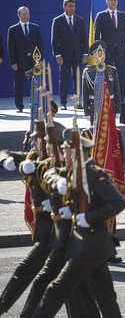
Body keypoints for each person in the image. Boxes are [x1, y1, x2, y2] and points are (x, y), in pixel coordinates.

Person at [30, 130, 125, 318]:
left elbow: (118, 202)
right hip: (92, 247)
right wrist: (58, 183)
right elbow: (51, 172)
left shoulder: (94, 174)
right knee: (106, 300)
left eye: (66, 150)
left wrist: (89, 217)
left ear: (77, 152)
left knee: (55, 290)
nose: (62, 153)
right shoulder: (74, 170)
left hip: (89, 245)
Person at [0, 134, 52, 315]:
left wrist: (58, 202)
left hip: (58, 234)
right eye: (34, 140)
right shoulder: (32, 158)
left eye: (40, 141)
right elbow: (4, 152)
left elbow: (64, 179)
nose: (35, 143)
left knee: (29, 273)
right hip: (43, 230)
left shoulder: (56, 162)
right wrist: (7, 161)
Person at [93, 0, 125, 102]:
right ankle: (109, 98)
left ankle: (121, 99)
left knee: (120, 76)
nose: (113, 2)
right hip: (106, 52)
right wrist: (97, 51)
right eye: (111, 0)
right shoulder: (101, 15)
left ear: (117, 2)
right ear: (106, 2)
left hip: (120, 51)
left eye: (115, 0)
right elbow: (96, 34)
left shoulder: (123, 15)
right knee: (108, 75)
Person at [51, 0, 88, 110]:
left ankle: (77, 102)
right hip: (64, 56)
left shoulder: (79, 20)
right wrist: (57, 55)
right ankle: (63, 103)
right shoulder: (57, 21)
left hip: (77, 56)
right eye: (70, 6)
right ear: (64, 7)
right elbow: (54, 40)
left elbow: (84, 39)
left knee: (77, 80)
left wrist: (85, 54)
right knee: (64, 80)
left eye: (73, 6)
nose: (72, 8)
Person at [8, 6, 43, 113]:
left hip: (33, 61)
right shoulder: (13, 29)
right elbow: (11, 47)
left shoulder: (35, 27)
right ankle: (19, 106)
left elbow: (40, 44)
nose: (26, 16)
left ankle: (34, 104)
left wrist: (40, 59)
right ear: (19, 15)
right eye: (24, 14)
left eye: (27, 13)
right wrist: (13, 62)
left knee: (35, 84)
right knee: (19, 85)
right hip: (19, 62)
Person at [82, 41, 121, 124]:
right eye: (98, 54)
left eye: (102, 53)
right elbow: (85, 93)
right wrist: (86, 111)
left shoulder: (112, 70)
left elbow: (117, 91)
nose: (101, 56)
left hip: (110, 106)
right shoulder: (88, 72)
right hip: (94, 107)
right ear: (93, 56)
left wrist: (118, 110)